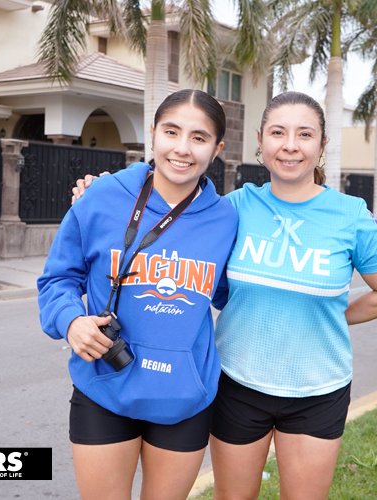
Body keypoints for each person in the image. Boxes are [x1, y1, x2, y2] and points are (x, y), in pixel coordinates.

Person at [74, 91, 377, 500]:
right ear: (260, 141)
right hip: (237, 383)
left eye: (305, 134)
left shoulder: (351, 214)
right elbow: (167, 222)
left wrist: (332, 314)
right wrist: (98, 194)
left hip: (318, 388)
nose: (290, 145)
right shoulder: (232, 209)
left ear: (322, 146)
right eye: (278, 132)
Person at [38, 89, 238, 500]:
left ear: (217, 148)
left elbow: (230, 293)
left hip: (184, 398)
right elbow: (58, 279)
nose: (182, 149)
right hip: (104, 386)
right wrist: (70, 321)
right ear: (153, 135)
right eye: (171, 131)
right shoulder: (101, 197)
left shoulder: (227, 220)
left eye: (199, 138)